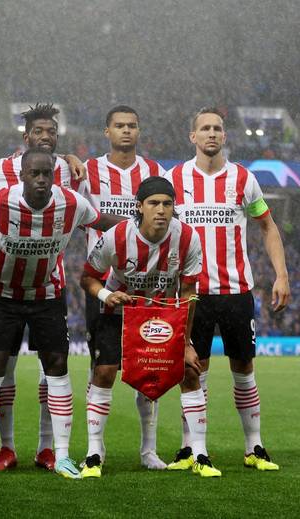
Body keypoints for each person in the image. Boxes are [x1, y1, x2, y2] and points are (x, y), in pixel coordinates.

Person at [0, 147, 117, 480]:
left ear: (54, 174)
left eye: (46, 173)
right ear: (22, 175)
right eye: (34, 173)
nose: (41, 179)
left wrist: (139, 223)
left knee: (57, 368)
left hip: (47, 297)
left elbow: (101, 221)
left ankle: (61, 455)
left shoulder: (71, 203)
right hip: (2, 297)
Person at [166, 107, 290, 471]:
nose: (211, 134)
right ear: (192, 136)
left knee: (244, 366)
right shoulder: (174, 178)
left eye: (217, 128)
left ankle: (255, 447)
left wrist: (281, 274)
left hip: (237, 291)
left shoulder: (243, 179)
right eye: (204, 128)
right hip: (192, 293)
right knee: (192, 369)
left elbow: (267, 226)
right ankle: (192, 449)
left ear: (225, 135)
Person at [81, 176, 221, 478]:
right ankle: (94, 453)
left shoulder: (187, 237)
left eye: (167, 204)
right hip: (118, 312)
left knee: (189, 373)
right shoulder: (117, 236)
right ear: (139, 207)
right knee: (104, 373)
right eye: (154, 203)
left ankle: (198, 454)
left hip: (160, 314)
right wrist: (107, 295)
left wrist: (185, 342)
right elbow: (88, 277)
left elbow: (188, 293)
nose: (161, 210)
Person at [0, 103, 91, 473]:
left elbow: (85, 213)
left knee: (53, 369)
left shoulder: (68, 171)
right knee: (2, 369)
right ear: (25, 135)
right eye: (39, 131)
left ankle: (50, 450)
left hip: (49, 286)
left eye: (52, 131)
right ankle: (4, 448)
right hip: (4, 286)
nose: (47, 136)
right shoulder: (0, 172)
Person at [83, 105, 169, 470]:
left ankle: (148, 451)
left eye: (132, 125)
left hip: (149, 286)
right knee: (102, 369)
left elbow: (167, 221)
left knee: (149, 371)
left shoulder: (155, 172)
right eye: (119, 126)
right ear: (107, 131)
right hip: (101, 282)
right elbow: (73, 209)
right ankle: (95, 448)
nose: (126, 131)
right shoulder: (86, 170)